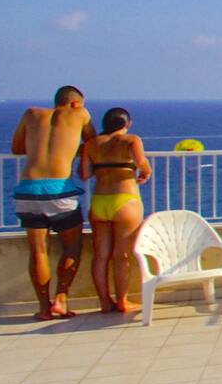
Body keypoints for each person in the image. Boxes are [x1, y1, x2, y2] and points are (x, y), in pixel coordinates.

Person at [11, 86, 92, 319]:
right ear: (75, 103)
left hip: (28, 189)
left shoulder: (31, 114)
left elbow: (16, 148)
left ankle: (44, 308)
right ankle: (61, 298)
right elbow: (94, 142)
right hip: (59, 190)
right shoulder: (79, 113)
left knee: (38, 250)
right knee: (72, 246)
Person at [80, 107, 151, 314]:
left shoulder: (91, 144)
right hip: (125, 200)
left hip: (99, 201)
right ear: (127, 124)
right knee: (122, 255)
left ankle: (104, 301)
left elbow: (84, 174)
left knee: (100, 256)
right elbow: (141, 163)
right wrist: (146, 172)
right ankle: (122, 301)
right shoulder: (131, 140)